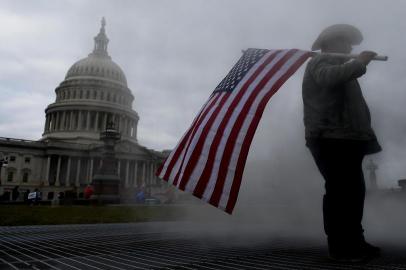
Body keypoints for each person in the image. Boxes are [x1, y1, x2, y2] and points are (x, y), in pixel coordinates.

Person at [302, 24, 382, 262]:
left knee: (354, 192)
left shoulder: (343, 67)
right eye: (344, 42)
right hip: (329, 137)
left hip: (348, 138)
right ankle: (340, 247)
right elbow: (327, 79)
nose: (349, 47)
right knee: (339, 192)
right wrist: (360, 63)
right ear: (329, 44)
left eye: (350, 43)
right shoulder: (320, 62)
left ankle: (355, 241)